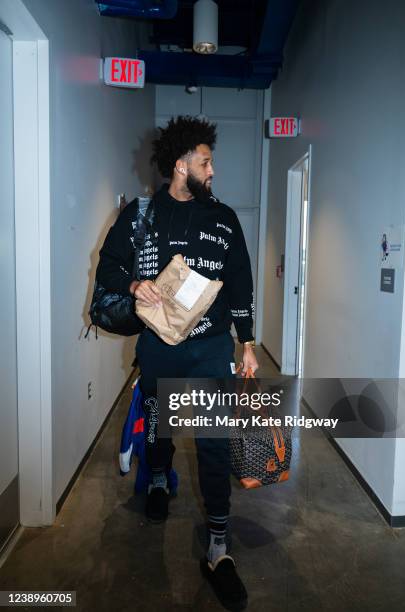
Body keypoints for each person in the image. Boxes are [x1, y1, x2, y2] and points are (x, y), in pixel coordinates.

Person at [96, 115, 258, 610]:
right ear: (182, 164)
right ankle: (161, 476)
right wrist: (132, 284)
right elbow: (108, 266)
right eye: (206, 162)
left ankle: (217, 545)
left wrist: (247, 343)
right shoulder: (141, 215)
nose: (213, 171)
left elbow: (240, 284)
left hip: (210, 347)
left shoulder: (224, 219)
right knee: (162, 425)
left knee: (211, 440)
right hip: (160, 347)